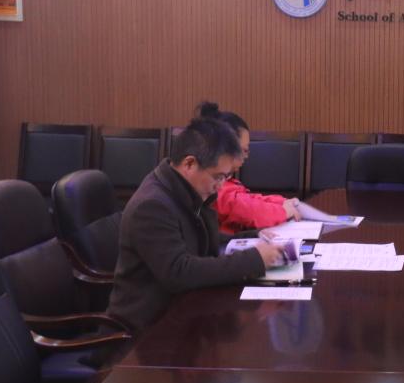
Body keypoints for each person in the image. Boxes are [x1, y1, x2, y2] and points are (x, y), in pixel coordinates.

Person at [108, 116, 285, 331]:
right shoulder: (152, 206)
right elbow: (179, 272)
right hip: (145, 332)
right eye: (218, 177)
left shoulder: (182, 190)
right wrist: (254, 259)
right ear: (189, 164)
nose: (221, 186)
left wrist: (254, 237)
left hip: (182, 314)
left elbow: (204, 240)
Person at [196, 101, 302, 234]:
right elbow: (245, 209)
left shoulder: (225, 181)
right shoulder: (210, 184)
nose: (246, 157)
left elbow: (248, 199)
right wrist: (282, 211)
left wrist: (280, 203)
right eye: (243, 151)